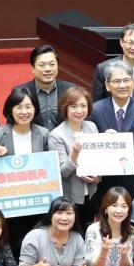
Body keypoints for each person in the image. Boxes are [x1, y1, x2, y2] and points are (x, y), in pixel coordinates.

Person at [0, 86, 51, 254]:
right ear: (10, 109)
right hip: (10, 202)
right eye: (19, 107)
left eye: (28, 106)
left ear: (35, 109)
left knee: (37, 240)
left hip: (37, 200)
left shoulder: (44, 134)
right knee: (11, 241)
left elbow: (49, 166)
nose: (24, 112)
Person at [91, 59, 134, 198]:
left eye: (126, 80)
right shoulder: (95, 110)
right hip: (104, 180)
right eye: (116, 81)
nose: (122, 85)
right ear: (107, 85)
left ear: (133, 83)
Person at [48, 85, 102, 223]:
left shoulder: (92, 127)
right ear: (65, 108)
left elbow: (99, 159)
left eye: (83, 106)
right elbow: (62, 172)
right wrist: (75, 153)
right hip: (70, 196)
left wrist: (98, 176)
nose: (79, 111)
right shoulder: (56, 135)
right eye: (74, 106)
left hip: (91, 192)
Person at [13, 44, 74, 131]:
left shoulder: (70, 89)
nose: (48, 69)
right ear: (33, 68)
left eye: (52, 64)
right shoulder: (20, 91)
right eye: (42, 65)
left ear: (57, 66)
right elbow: (13, 123)